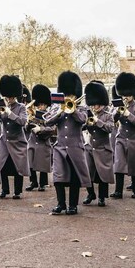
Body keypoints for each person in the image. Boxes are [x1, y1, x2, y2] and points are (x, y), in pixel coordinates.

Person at [44, 71, 91, 215]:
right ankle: (60, 204)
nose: (68, 98)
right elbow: (47, 121)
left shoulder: (82, 108)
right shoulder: (56, 107)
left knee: (74, 178)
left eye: (71, 96)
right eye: (66, 95)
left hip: (75, 147)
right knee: (58, 177)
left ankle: (73, 205)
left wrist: (72, 110)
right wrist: (59, 111)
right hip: (60, 147)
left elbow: (83, 120)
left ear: (76, 96)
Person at [0, 75, 30, 199]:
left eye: (10, 97)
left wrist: (10, 113)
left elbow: (22, 121)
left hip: (17, 141)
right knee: (2, 167)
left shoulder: (21, 107)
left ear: (14, 96)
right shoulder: (3, 107)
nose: (8, 99)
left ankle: (17, 191)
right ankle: (5, 190)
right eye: (7, 97)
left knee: (18, 168)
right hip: (5, 141)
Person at [111, 72, 135, 199]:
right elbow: (112, 119)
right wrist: (118, 112)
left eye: (129, 94)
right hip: (121, 137)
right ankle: (118, 191)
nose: (126, 97)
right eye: (124, 94)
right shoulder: (118, 105)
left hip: (134, 138)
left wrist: (128, 114)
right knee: (118, 164)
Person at [83, 81, 114, 207]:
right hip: (90, 147)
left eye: (96, 104)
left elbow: (110, 128)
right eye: (93, 104)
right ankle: (90, 194)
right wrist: (86, 123)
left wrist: (98, 122)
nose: (94, 107)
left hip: (102, 148)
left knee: (103, 175)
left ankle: (102, 197)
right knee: (87, 173)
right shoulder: (88, 114)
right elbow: (82, 128)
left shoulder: (108, 115)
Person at [26, 84, 54, 192]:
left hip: (43, 142)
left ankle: (42, 183)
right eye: (39, 105)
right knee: (30, 163)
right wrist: (28, 123)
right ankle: (33, 182)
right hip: (33, 141)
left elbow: (52, 129)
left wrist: (41, 129)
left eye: (42, 104)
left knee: (42, 164)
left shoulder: (50, 114)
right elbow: (26, 128)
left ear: (46, 104)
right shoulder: (32, 113)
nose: (40, 107)